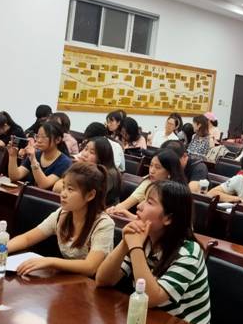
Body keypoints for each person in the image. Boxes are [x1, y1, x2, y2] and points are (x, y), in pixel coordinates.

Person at [96, 180, 210, 324]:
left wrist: (135, 246)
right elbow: (103, 280)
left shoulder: (189, 252)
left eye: (149, 202)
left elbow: (150, 299)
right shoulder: (145, 239)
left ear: (168, 218)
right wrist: (125, 243)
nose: (139, 206)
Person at [0, 162, 114, 277]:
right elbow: (27, 238)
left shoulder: (103, 224)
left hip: (92, 288)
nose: (63, 194)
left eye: (70, 189)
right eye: (64, 187)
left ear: (90, 195)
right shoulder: (62, 214)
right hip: (68, 280)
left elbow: (90, 267)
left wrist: (50, 261)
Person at [107, 149, 186, 218]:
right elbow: (124, 205)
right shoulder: (148, 183)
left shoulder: (176, 193)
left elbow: (154, 223)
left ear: (170, 172)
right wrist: (113, 210)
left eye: (157, 167)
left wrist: (127, 214)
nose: (151, 171)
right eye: (151, 165)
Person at [56, 137, 121, 206]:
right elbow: (57, 187)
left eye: (92, 152)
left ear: (102, 156)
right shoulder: (84, 168)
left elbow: (83, 196)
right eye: (86, 149)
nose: (85, 154)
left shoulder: (108, 174)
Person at [8, 121, 72, 189]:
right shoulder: (36, 154)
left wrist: (33, 160)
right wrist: (12, 156)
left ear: (58, 140)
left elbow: (43, 185)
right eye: (37, 136)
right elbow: (15, 176)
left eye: (43, 137)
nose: (39, 140)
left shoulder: (65, 162)